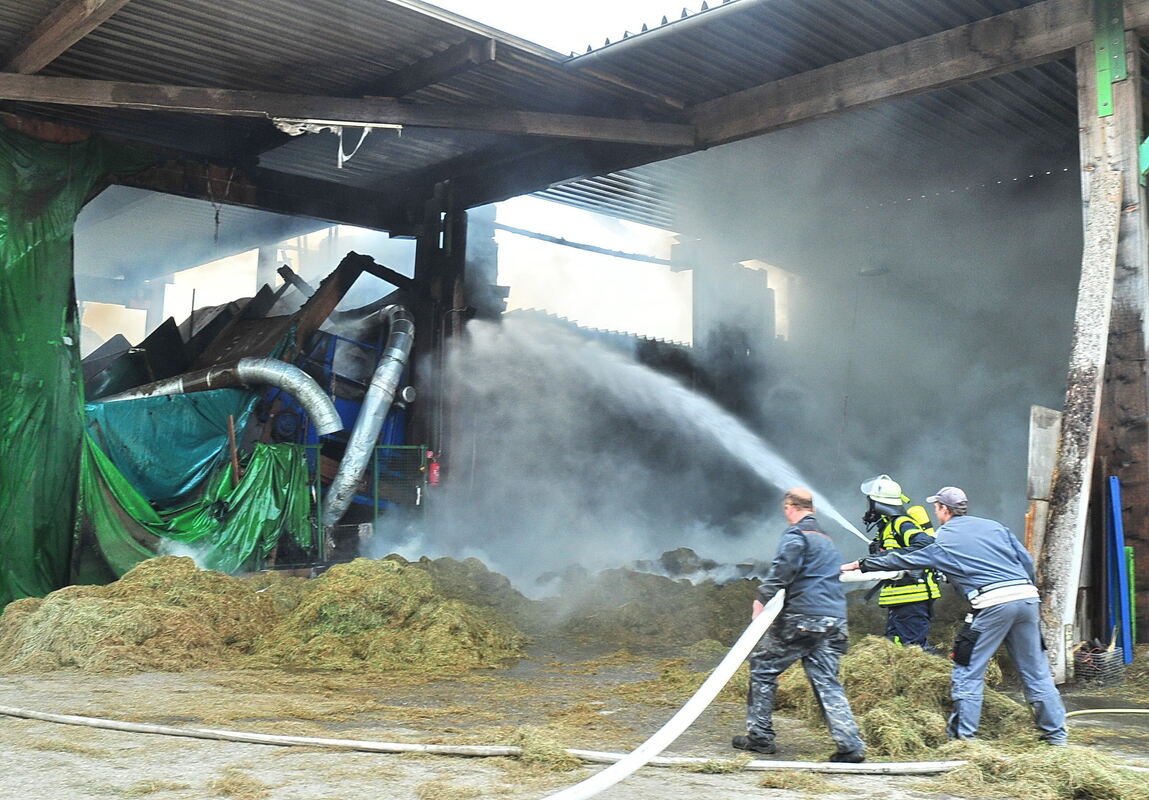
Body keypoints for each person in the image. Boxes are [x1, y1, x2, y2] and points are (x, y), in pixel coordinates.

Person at [841, 486, 1068, 745]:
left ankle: (963, 740)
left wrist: (862, 564)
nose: (935, 512)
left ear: (943, 509)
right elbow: (1026, 561)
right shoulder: (994, 527)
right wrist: (1026, 588)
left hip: (992, 603)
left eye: (936, 507)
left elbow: (905, 560)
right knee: (1036, 672)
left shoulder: (943, 540)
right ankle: (1056, 737)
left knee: (967, 669)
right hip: (1027, 599)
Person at [733, 488, 866, 762]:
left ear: (790, 507)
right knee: (827, 681)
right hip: (835, 621)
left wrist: (762, 598)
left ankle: (760, 737)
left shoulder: (796, 535)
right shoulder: (826, 540)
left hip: (804, 618)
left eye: (786, 509)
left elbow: (784, 568)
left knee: (762, 666)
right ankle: (851, 745)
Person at [859, 474, 941, 648]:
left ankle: (944, 673)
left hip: (913, 598)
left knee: (913, 649)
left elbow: (925, 544)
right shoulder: (888, 527)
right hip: (901, 599)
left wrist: (889, 556)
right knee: (897, 645)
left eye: (871, 503)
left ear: (880, 503)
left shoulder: (902, 523)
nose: (869, 508)